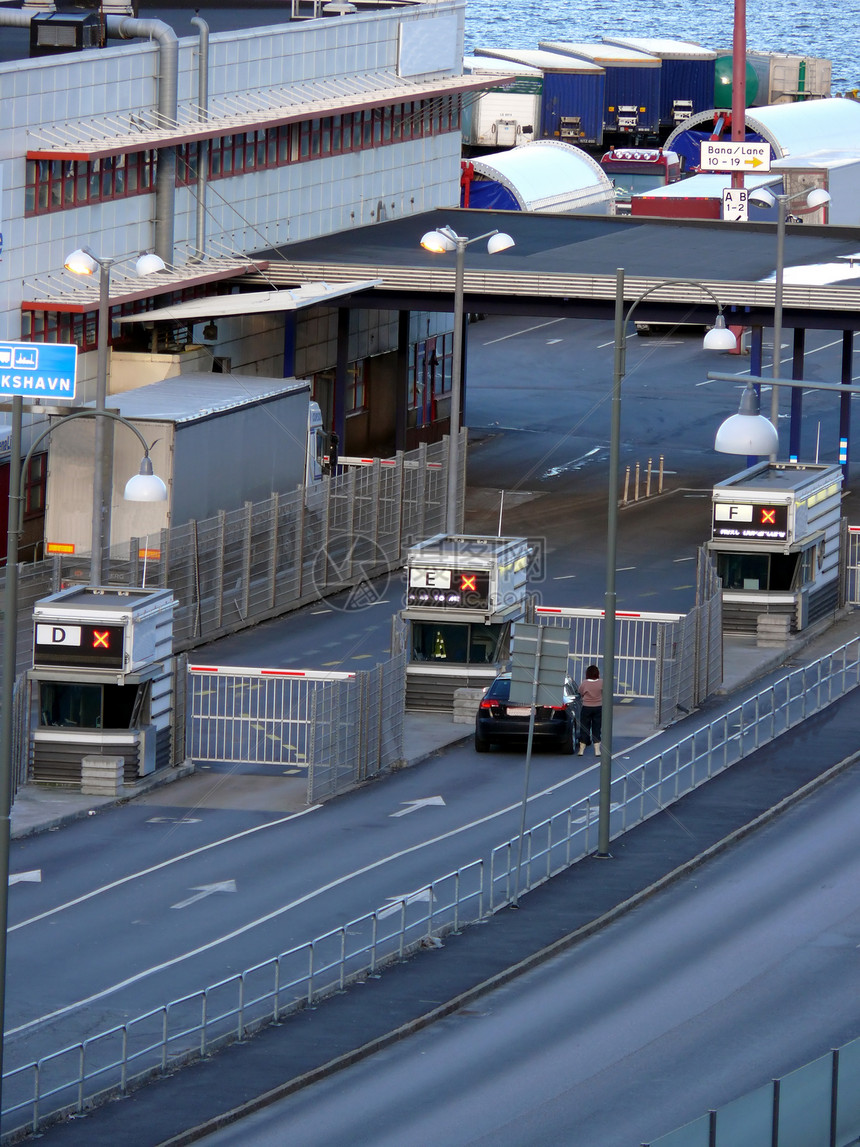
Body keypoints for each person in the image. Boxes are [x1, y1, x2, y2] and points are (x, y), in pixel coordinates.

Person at [578, 664, 603, 756]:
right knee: (597, 728)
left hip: (586, 707)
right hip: (598, 707)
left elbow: (580, 692)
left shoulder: (584, 683)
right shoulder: (601, 682)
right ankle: (597, 750)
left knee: (584, 727)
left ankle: (581, 750)